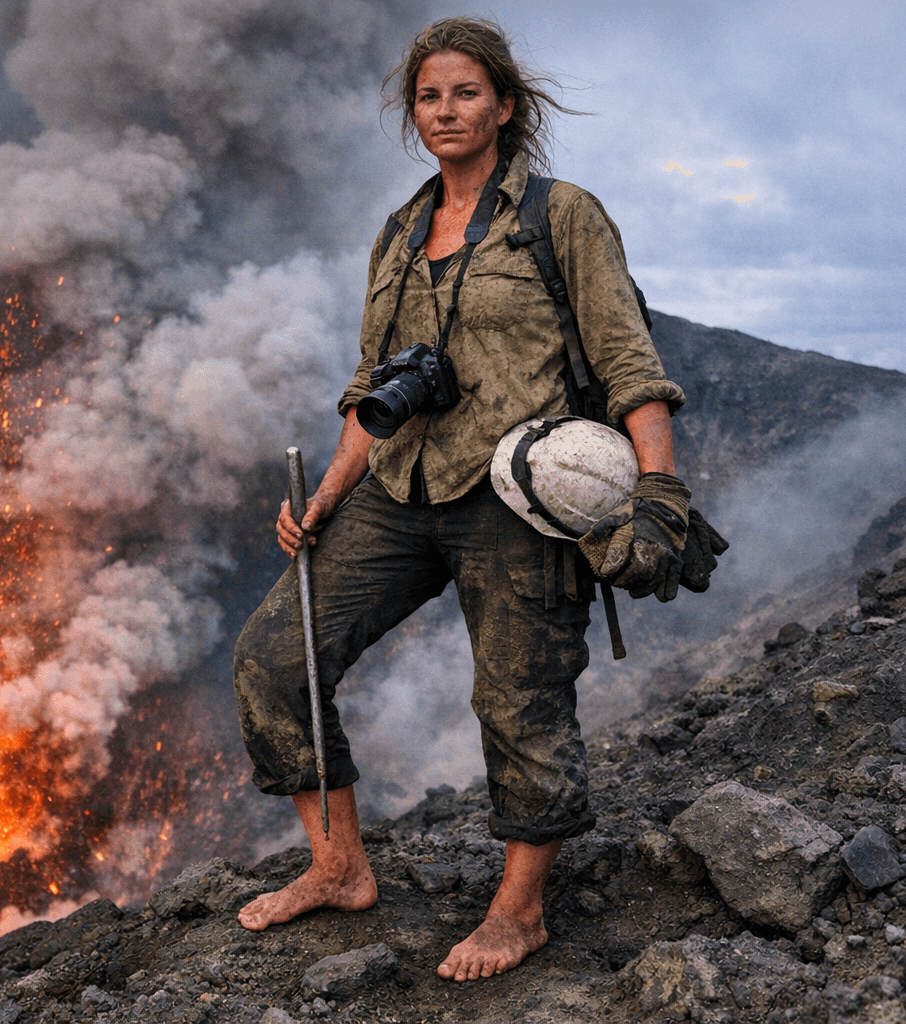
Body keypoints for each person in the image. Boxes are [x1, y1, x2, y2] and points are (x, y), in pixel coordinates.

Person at [232, 16, 688, 982]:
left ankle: (519, 912)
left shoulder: (562, 216)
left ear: (505, 106)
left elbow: (628, 365)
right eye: (429, 97)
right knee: (277, 656)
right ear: (414, 115)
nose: (446, 110)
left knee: (519, 701)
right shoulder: (399, 235)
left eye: (466, 93)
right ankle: (338, 867)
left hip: (516, 496)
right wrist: (322, 499)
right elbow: (373, 390)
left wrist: (659, 492)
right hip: (400, 490)